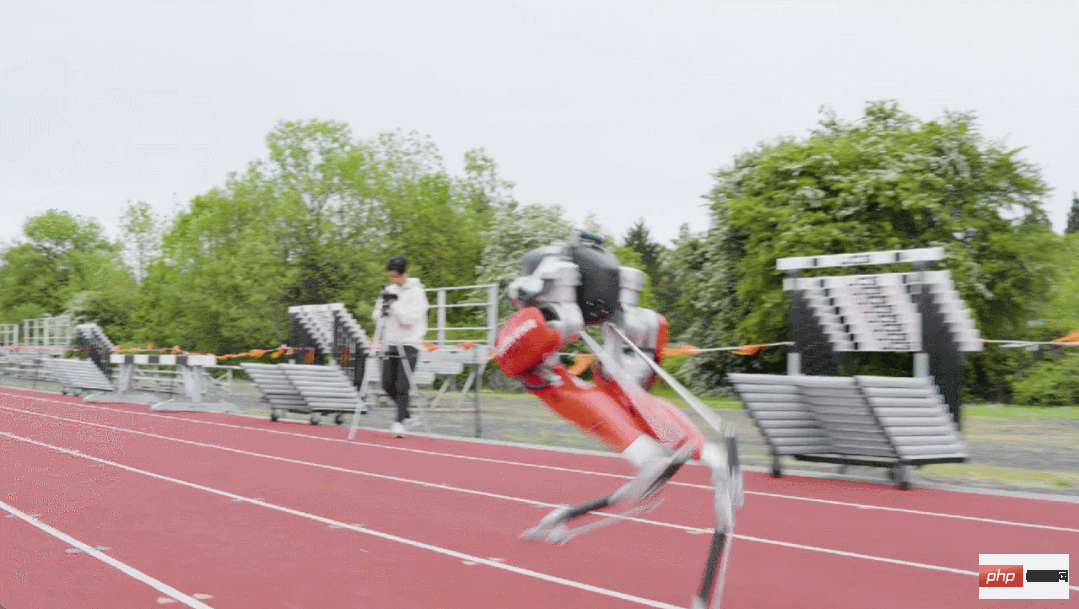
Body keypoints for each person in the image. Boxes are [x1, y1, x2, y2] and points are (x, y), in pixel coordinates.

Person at [492, 230, 743, 542]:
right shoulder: (539, 325)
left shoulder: (550, 319)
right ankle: (686, 452)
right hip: (563, 373)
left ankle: (688, 451)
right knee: (600, 389)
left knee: (619, 390)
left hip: (572, 375)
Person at [372, 255, 429, 437]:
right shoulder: (387, 290)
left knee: (402, 384)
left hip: (410, 343)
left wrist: (394, 307)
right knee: (387, 384)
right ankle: (407, 415)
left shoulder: (417, 292)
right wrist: (383, 310)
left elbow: (409, 320)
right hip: (390, 342)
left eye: (396, 276)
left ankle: (399, 422)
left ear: (405, 273)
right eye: (391, 276)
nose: (394, 280)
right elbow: (375, 316)